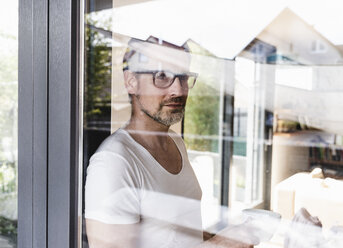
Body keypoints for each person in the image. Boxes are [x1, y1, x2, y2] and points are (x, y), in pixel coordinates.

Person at [84, 37, 257, 248]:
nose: (179, 90)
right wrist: (222, 244)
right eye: (162, 76)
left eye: (183, 77)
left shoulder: (175, 142)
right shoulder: (114, 162)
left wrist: (228, 237)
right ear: (131, 81)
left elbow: (178, 234)